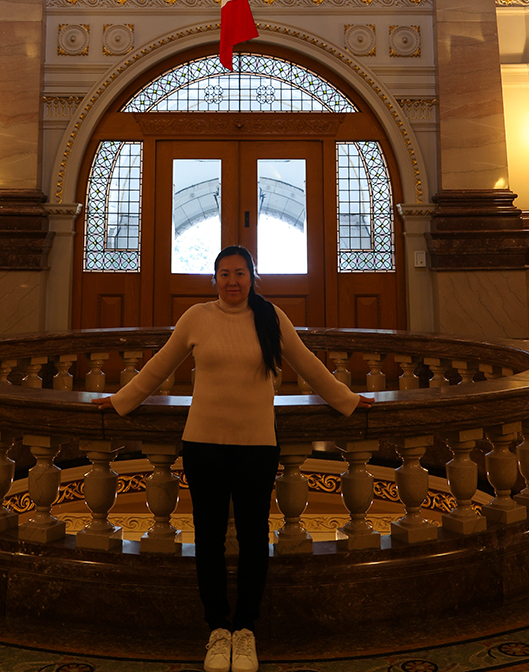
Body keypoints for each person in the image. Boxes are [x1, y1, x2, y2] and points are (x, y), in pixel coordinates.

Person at [95, 246, 372, 672]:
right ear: (214, 279)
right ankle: (216, 628)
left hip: (257, 446)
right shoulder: (197, 317)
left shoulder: (271, 317)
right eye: (224, 273)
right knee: (206, 537)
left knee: (253, 537)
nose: (232, 281)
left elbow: (311, 366)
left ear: (252, 276)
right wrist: (118, 401)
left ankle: (245, 629)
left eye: (240, 273)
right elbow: (157, 368)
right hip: (203, 444)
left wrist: (350, 400)